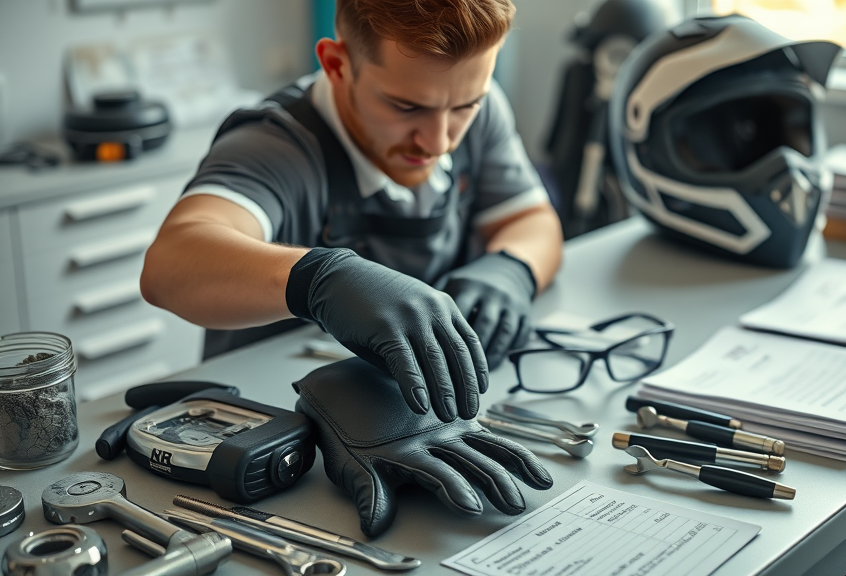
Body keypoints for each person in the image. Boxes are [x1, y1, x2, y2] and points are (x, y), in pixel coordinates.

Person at [140, 0, 563, 423]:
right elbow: (169, 264)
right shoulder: (272, 146)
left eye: (464, 107)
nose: (439, 142)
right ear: (337, 65)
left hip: (409, 416)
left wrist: (511, 270)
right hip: (268, 427)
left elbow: (529, 219)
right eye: (406, 107)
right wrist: (319, 280)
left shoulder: (477, 106)